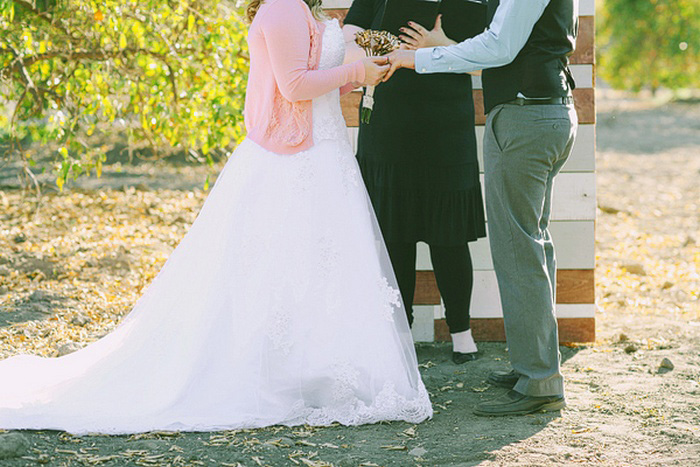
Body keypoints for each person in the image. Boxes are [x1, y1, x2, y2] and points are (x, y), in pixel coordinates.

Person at [0, 0, 432, 434]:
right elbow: (294, 86)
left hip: (326, 152)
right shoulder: (282, 9)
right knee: (277, 267)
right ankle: (274, 377)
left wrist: (360, 77)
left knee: (318, 266)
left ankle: (317, 373)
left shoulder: (307, 10)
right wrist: (357, 73)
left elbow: (317, 84)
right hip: (293, 162)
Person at [386, 0, 578, 416]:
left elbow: (499, 47)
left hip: (527, 118)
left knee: (518, 251)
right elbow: (515, 45)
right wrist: (446, 46)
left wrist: (421, 57)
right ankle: (533, 366)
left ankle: (541, 380)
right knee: (532, 247)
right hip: (542, 112)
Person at [342, 1, 487, 365]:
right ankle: (399, 332)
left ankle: (461, 333)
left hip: (447, 121)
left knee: (449, 234)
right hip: (390, 118)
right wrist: (376, 48)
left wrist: (438, 47)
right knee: (395, 231)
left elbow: (488, 57)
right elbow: (348, 38)